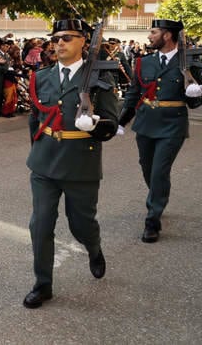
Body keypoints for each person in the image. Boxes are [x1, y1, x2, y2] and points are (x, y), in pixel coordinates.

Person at [23, 18, 119, 309]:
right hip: (45, 161)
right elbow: (35, 119)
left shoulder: (101, 79)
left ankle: (94, 247)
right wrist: (37, 150)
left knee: (82, 224)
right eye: (56, 38)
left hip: (81, 162)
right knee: (40, 225)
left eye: (67, 37)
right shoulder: (41, 77)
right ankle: (43, 284)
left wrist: (95, 124)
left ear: (84, 42)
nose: (59, 43)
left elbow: (112, 124)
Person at [118, 19, 202, 243]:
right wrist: (121, 121)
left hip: (172, 124)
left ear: (167, 35)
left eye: (153, 32)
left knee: (159, 171)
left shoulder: (190, 63)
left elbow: (194, 102)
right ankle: (159, 195)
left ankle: (152, 220)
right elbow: (134, 94)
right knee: (147, 168)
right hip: (146, 122)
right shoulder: (143, 63)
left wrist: (196, 93)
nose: (149, 36)